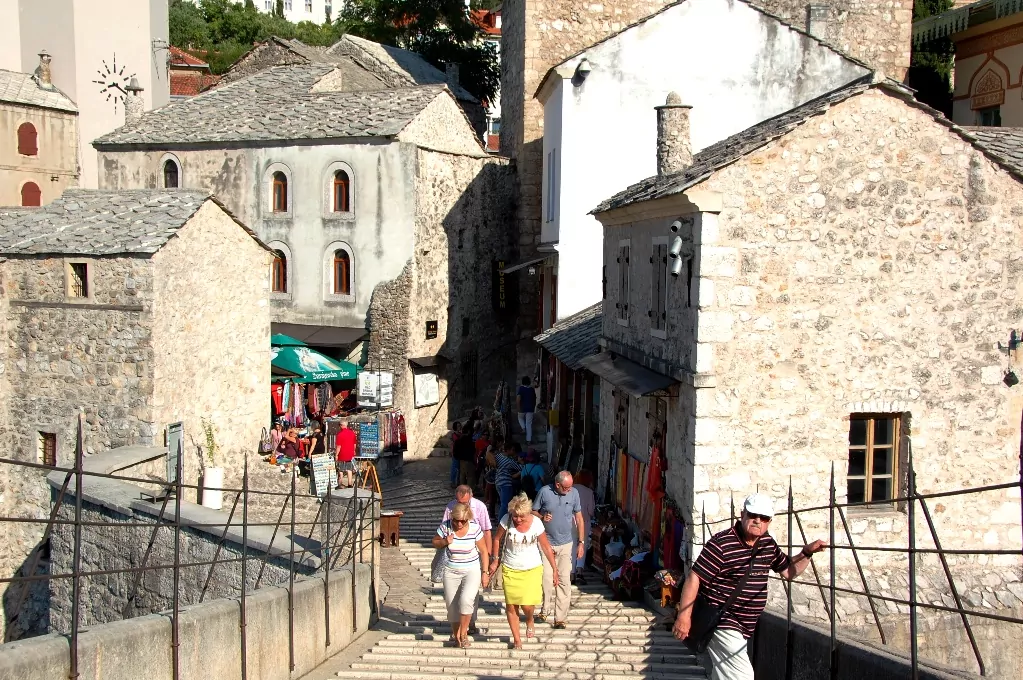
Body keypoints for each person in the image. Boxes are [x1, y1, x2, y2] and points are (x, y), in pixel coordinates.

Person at [672, 494, 827, 680]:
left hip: (744, 626)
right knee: (742, 676)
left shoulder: (767, 544)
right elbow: (695, 577)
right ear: (742, 514)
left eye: (764, 518)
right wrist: (683, 617)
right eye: (753, 515)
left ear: (769, 521)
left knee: (723, 675)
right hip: (721, 620)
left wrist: (807, 553)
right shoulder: (722, 543)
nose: (757, 521)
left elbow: (788, 571)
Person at [488, 493, 560, 649]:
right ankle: (517, 639)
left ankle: (529, 620)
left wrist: (554, 569)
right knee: (511, 605)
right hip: (510, 567)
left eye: (521, 516)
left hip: (532, 568)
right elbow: (496, 538)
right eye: (515, 516)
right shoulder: (506, 520)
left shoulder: (536, 524)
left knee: (527, 605)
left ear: (528, 513)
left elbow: (546, 547)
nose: (518, 519)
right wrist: (495, 559)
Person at [432, 503, 490, 648]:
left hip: (471, 569)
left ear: (468, 519)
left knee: (466, 600)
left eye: (462, 521)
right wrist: (445, 541)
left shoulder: (475, 529)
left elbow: (483, 551)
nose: (459, 523)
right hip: (451, 570)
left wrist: (485, 572)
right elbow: (435, 542)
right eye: (456, 520)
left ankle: (464, 633)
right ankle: (456, 634)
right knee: (451, 607)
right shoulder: (446, 526)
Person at [532, 471, 584, 627]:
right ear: (558, 485)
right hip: (546, 542)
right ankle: (545, 609)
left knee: (564, 580)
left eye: (570, 487)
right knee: (546, 578)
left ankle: (560, 618)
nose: (569, 490)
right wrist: (542, 517)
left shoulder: (574, 493)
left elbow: (579, 518)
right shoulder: (544, 492)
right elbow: (533, 511)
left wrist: (581, 542)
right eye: (566, 487)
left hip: (566, 543)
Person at [443, 485, 492, 633]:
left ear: (470, 497)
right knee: (456, 595)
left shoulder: (480, 507)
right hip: (455, 553)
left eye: (464, 502)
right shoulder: (451, 507)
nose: (461, 504)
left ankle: (470, 622)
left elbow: (487, 530)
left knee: (471, 593)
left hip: (475, 552)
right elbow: (444, 527)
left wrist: (488, 554)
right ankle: (458, 625)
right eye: (459, 501)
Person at [571, 470, 596, 584]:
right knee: (582, 545)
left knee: (571, 546)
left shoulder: (569, 489)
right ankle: (579, 571)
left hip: (569, 522)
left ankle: (571, 573)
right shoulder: (589, 492)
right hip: (584, 523)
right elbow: (591, 511)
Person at [496, 442, 523, 520]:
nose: (514, 453)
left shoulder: (498, 456)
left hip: (498, 482)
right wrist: (521, 462)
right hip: (505, 483)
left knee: (502, 503)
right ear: (509, 450)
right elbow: (520, 467)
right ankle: (501, 522)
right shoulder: (509, 461)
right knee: (505, 504)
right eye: (513, 450)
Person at [453, 422, 477, 488]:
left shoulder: (458, 440)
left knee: (462, 477)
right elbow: (473, 451)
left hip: (461, 461)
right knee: (470, 477)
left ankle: (462, 492)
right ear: (469, 432)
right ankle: (468, 493)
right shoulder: (470, 441)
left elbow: (455, 451)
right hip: (469, 461)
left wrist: (458, 458)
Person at [335, 420, 357, 489]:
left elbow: (339, 446)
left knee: (341, 470)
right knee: (349, 469)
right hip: (350, 454)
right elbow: (354, 444)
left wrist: (336, 455)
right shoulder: (352, 433)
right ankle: (350, 484)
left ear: (341, 425)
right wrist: (353, 451)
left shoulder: (340, 434)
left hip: (342, 454)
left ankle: (340, 483)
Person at [516, 377, 537, 444]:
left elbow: (518, 399)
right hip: (530, 408)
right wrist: (533, 407)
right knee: (529, 424)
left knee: (520, 417)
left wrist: (518, 408)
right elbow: (534, 399)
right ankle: (529, 440)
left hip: (523, 408)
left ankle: (523, 428)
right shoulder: (531, 389)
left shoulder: (521, 389)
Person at [449, 422, 462, 488]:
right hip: (455, 453)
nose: (459, 427)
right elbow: (452, 444)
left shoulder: (461, 434)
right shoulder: (454, 435)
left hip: (460, 453)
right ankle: (452, 482)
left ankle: (458, 482)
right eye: (458, 426)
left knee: (459, 469)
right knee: (454, 468)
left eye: (460, 425)